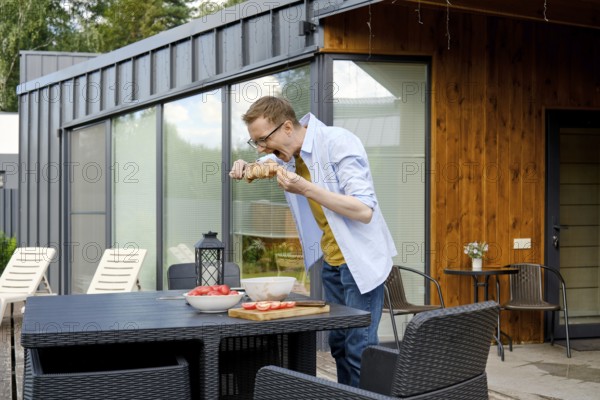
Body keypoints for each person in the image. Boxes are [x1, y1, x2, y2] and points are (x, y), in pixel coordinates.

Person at [229, 96, 397, 387]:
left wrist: (306, 188)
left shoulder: (338, 143)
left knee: (360, 349)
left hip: (359, 263)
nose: (261, 148)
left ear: (288, 127)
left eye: (263, 140)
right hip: (332, 262)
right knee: (340, 346)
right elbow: (264, 163)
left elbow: (363, 209)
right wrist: (245, 166)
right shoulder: (289, 155)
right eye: (254, 143)